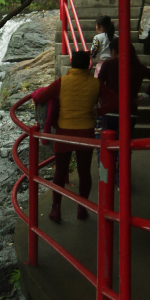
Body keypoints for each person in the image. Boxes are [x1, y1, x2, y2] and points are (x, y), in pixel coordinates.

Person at [35, 50, 115, 223]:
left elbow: (41, 97)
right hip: (85, 133)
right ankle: (82, 208)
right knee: (84, 172)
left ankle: (56, 209)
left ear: (72, 64)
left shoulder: (62, 82)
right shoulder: (96, 84)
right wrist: (99, 112)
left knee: (60, 171)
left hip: (64, 132)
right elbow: (115, 100)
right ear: (88, 65)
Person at [98, 37, 150, 139]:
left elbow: (98, 83)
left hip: (109, 109)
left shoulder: (108, 64)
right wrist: (145, 95)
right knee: (125, 145)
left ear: (113, 51)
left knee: (108, 144)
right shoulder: (137, 66)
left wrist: (100, 99)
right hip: (129, 110)